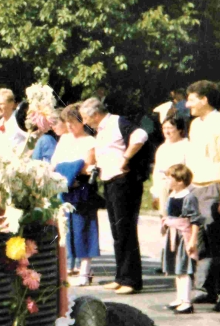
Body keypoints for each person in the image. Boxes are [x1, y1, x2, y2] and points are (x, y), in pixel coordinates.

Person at [80, 97, 150, 294]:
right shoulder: (101, 130)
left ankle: (132, 280)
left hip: (124, 182)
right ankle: (121, 277)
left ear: (95, 114)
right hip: (110, 181)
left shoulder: (117, 122)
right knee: (117, 231)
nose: (84, 122)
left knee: (125, 229)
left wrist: (126, 158)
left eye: (86, 117)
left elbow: (141, 135)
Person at [185, 80, 220, 312]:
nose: (188, 104)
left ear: (204, 99)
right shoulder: (196, 124)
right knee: (202, 243)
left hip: (214, 187)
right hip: (196, 187)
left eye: (191, 99)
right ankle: (207, 289)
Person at [50, 104, 100, 285]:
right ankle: (69, 267)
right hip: (64, 188)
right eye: (67, 123)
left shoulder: (90, 141)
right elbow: (54, 163)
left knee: (84, 228)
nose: (69, 126)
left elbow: (87, 166)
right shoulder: (64, 139)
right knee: (66, 229)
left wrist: (71, 167)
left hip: (82, 189)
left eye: (73, 122)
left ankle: (85, 271)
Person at [161, 164, 203, 314]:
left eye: (169, 178)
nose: (166, 181)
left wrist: (192, 240)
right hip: (173, 235)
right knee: (177, 267)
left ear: (179, 181)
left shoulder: (189, 197)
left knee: (185, 267)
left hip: (183, 236)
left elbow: (195, 220)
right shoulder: (172, 195)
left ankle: (186, 301)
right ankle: (179, 297)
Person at [150, 116, 188, 218]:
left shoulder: (186, 145)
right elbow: (157, 173)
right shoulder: (162, 148)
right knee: (165, 220)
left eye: (170, 128)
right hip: (164, 190)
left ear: (179, 129)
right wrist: (156, 194)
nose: (167, 131)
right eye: (164, 128)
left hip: (181, 190)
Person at [0, 88, 28, 158]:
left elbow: (32, 141)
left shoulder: (19, 120)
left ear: (11, 104)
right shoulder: (0, 122)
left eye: (1, 104)